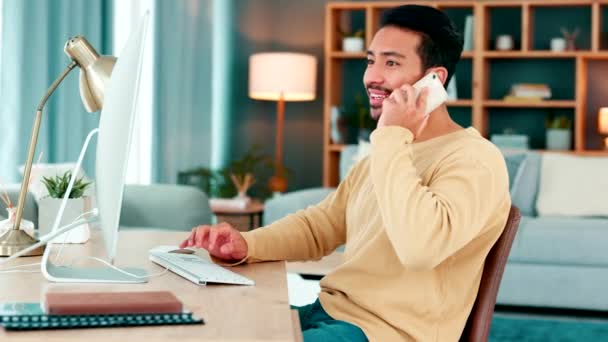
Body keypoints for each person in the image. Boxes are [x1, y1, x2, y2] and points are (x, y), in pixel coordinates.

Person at [181, 4, 511, 341]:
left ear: (434, 80)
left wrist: (391, 136)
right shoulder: (385, 153)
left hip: (385, 333)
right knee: (207, 324)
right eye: (371, 61)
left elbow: (420, 249)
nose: (372, 77)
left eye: (391, 62)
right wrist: (245, 243)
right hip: (328, 312)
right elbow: (320, 227)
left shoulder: (473, 159)